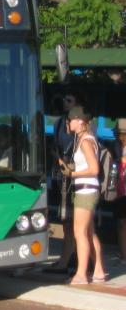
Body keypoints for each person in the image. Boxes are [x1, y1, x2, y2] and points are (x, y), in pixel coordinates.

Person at [59, 105, 108, 284]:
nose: (68, 122)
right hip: (87, 189)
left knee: (79, 232)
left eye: (71, 119)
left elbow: (94, 169)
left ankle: (81, 274)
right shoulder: (85, 139)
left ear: (80, 121)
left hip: (86, 190)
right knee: (89, 232)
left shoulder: (86, 141)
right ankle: (99, 270)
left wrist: (72, 174)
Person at [44, 91, 84, 273]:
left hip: (77, 179)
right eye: (64, 99)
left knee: (78, 225)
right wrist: (58, 160)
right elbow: (56, 148)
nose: (65, 102)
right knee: (67, 222)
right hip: (63, 178)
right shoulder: (59, 123)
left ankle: (74, 261)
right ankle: (69, 258)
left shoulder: (84, 128)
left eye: (69, 100)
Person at [109, 118, 126, 264]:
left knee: (122, 223)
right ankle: (124, 255)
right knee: (121, 222)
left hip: (122, 187)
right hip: (119, 189)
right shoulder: (115, 146)